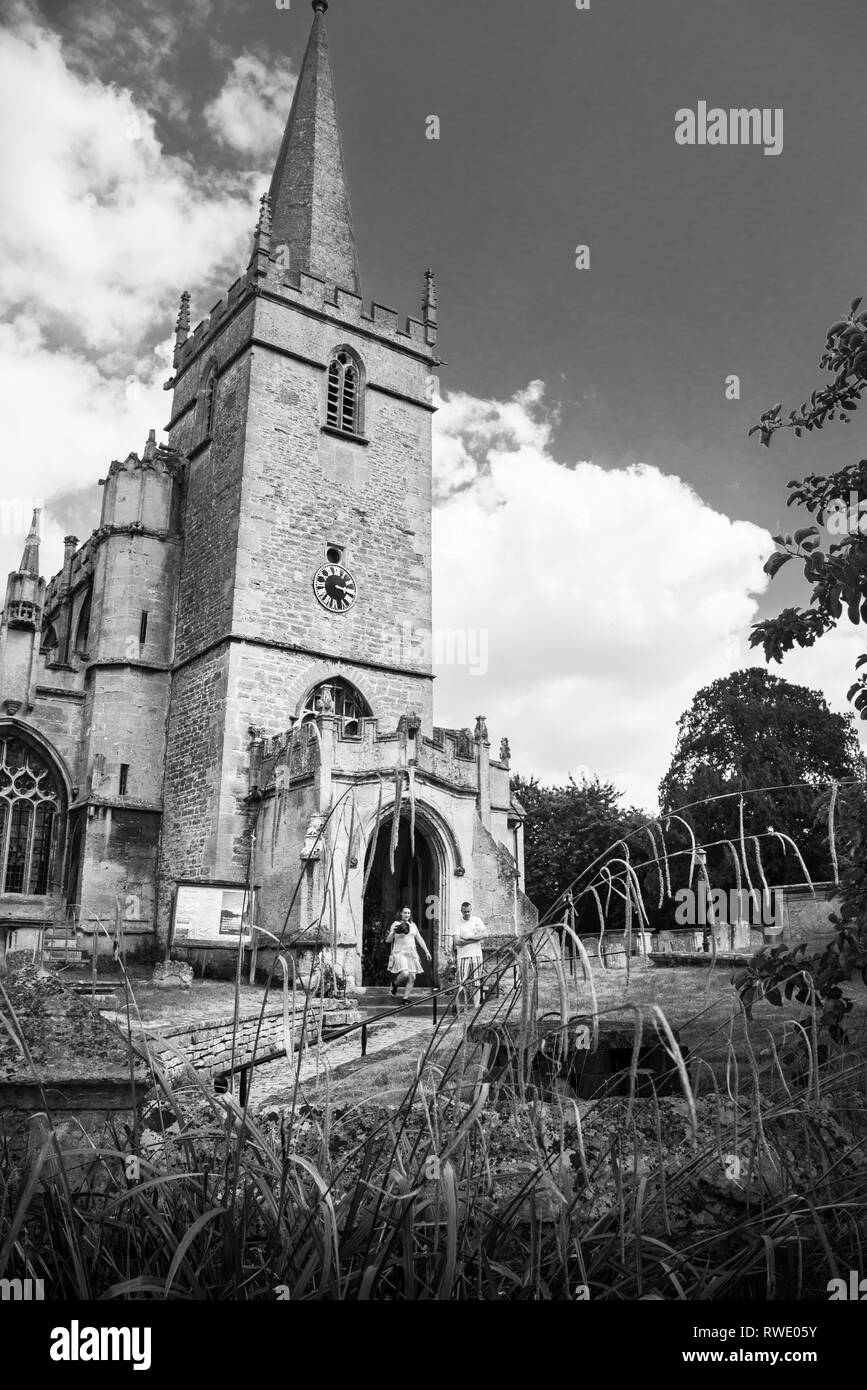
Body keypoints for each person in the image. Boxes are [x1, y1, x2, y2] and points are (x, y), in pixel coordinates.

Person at [386, 906, 431, 1004]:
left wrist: (426, 951)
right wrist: (394, 931)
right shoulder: (396, 924)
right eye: (405, 913)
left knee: (412, 977)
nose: (407, 915)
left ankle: (405, 999)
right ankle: (394, 984)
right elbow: (388, 940)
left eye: (408, 913)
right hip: (400, 952)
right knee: (405, 973)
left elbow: (419, 938)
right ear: (401, 914)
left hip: (412, 953)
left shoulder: (413, 925)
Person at [453, 901, 488, 1007]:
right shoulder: (458, 923)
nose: (467, 914)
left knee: (476, 982)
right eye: (464, 912)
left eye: (468, 911)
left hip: (476, 955)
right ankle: (458, 1007)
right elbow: (457, 941)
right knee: (461, 982)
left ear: (471, 910)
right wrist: (475, 939)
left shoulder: (477, 920)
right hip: (463, 956)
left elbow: (485, 934)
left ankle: (476, 1006)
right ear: (461, 911)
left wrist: (467, 938)